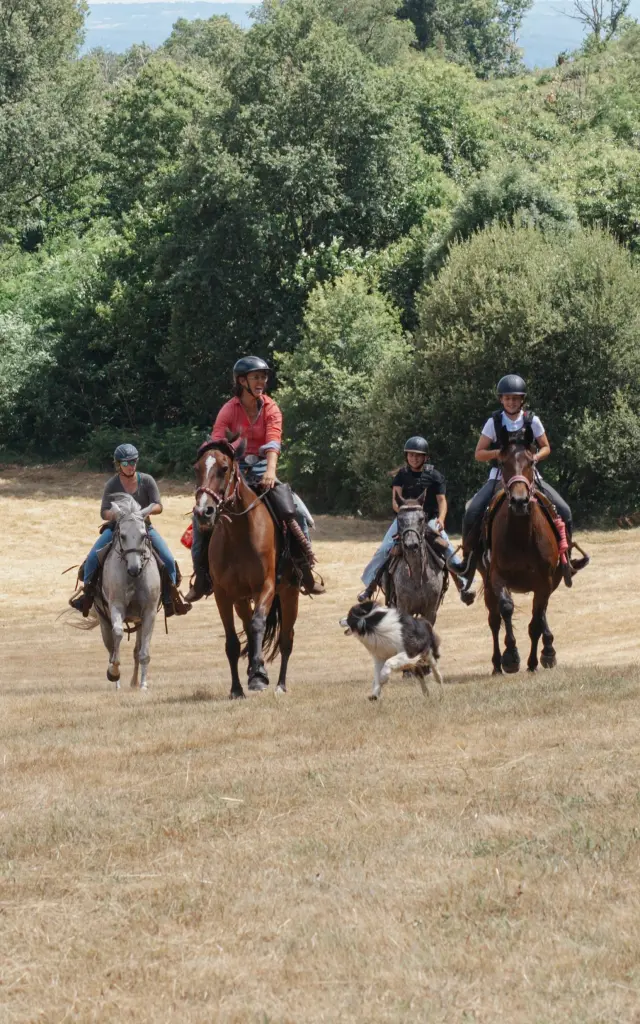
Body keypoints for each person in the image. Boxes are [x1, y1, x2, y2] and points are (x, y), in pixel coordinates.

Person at [186, 356, 324, 601]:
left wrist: (271, 471)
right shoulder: (228, 410)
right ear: (242, 381)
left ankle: (304, 571)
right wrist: (225, 468)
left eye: (263, 377)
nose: (262, 381)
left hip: (262, 467)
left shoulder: (271, 408)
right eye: (256, 377)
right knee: (200, 517)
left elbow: (273, 441)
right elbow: (219, 443)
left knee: (297, 511)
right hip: (234, 468)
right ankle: (201, 576)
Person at [460, 374, 583, 590]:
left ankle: (566, 561)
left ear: (522, 400)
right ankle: (467, 565)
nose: (511, 402)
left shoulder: (532, 420)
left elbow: (546, 446)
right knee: (472, 513)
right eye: (508, 398)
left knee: (565, 510)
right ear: (501, 400)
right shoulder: (494, 422)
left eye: (515, 399)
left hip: (529, 477)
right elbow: (479, 453)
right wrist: (499, 453)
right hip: (499, 477)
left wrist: (535, 457)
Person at [69, 443, 185, 618]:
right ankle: (87, 596)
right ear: (118, 465)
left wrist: (145, 512)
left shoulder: (147, 480)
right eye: (126, 463)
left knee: (168, 559)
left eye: (134, 462)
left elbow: (159, 506)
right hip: (116, 529)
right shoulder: (112, 484)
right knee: (92, 558)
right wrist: (117, 515)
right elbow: (104, 512)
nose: (131, 466)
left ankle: (170, 599)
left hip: (143, 528)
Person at [357, 436, 474, 605]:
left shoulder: (435, 476)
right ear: (406, 456)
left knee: (446, 547)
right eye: (411, 455)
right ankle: (370, 586)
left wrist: (441, 519)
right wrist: (406, 513)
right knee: (384, 549)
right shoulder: (401, 475)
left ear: (425, 457)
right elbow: (395, 501)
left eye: (418, 455)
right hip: (405, 519)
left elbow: (442, 500)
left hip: (429, 520)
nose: (414, 458)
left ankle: (463, 585)